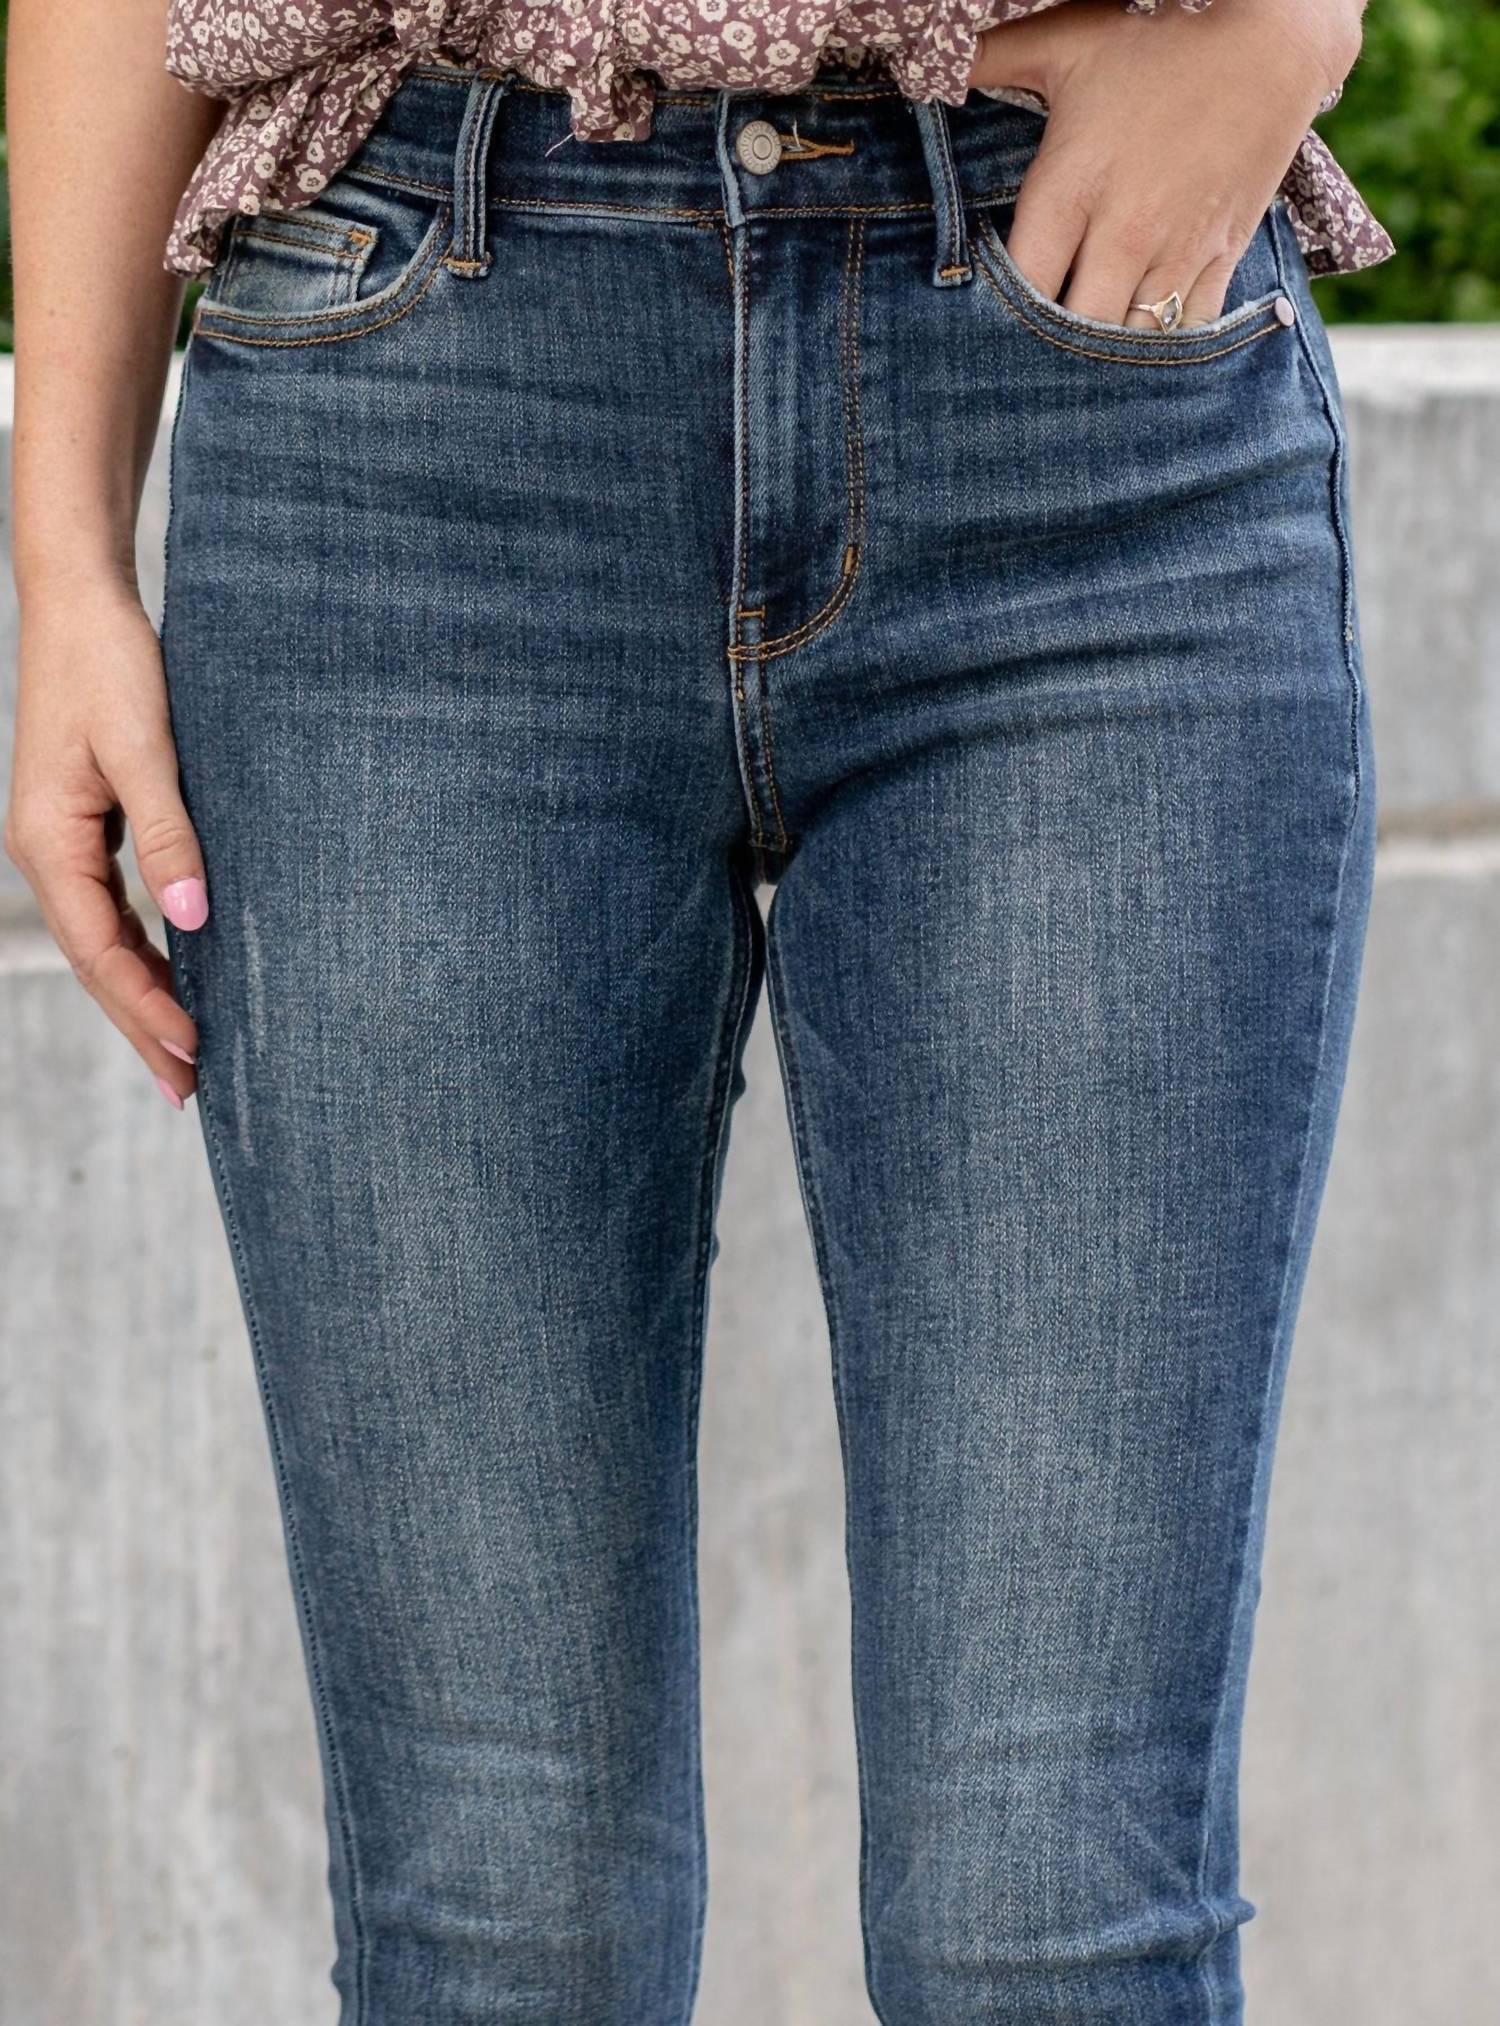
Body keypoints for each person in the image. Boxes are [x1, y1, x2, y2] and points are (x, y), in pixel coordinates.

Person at [5, 2, 1390, 2019]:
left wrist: (1295, 21)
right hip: (413, 411)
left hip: (1080, 380)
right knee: (506, 1925)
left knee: (1048, 1922)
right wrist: (64, 564)